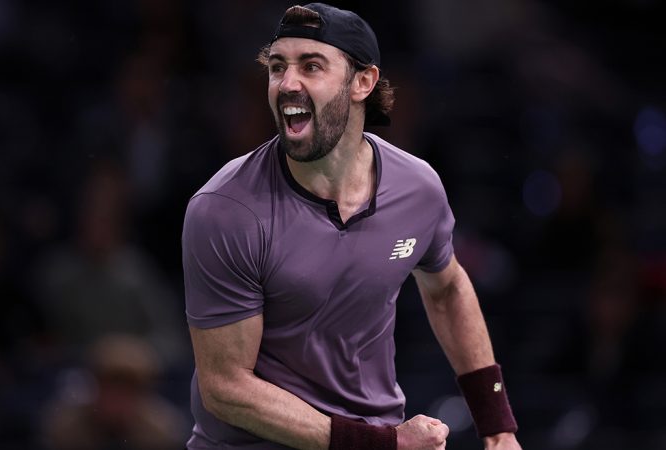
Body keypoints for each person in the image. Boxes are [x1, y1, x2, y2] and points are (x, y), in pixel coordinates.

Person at [182, 3, 522, 449]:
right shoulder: (225, 209)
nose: (287, 84)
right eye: (277, 66)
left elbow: (448, 289)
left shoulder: (418, 188)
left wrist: (498, 427)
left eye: (311, 66)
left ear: (363, 82)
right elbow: (227, 390)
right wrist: (386, 445)